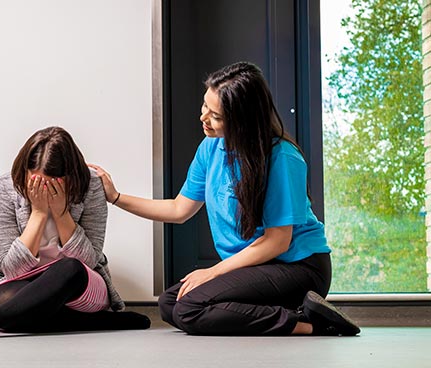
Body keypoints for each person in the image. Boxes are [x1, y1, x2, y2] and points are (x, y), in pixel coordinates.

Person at [89, 62, 360, 336]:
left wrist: (213, 272)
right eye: (204, 106)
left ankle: (310, 325)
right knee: (171, 303)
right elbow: (178, 209)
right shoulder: (211, 148)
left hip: (299, 268)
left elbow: (278, 240)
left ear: (243, 119)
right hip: (256, 267)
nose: (203, 118)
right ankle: (297, 314)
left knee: (190, 308)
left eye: (215, 115)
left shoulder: (282, 158)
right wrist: (116, 197)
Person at [0, 127, 151, 340]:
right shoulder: (5, 188)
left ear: (70, 177)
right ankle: (95, 322)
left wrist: (61, 213)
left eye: (51, 184)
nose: (43, 190)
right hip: (22, 282)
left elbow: (88, 260)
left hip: (78, 284)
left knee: (70, 268)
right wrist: (38, 214)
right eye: (36, 182)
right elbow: (10, 269)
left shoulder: (91, 186)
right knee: (2, 302)